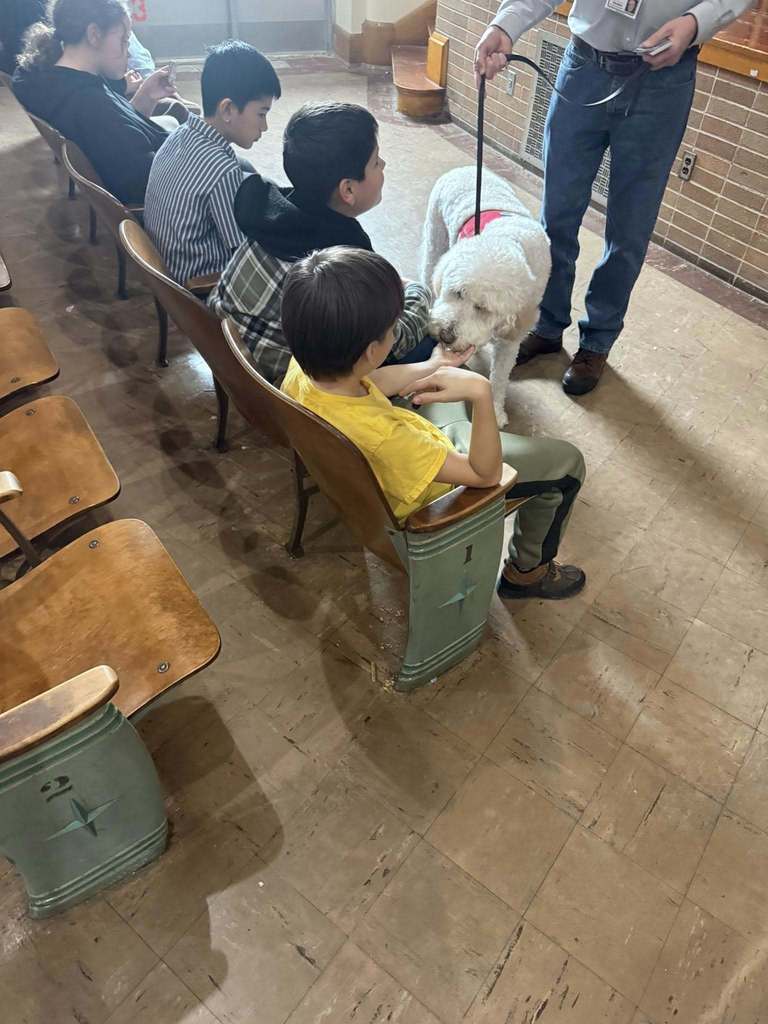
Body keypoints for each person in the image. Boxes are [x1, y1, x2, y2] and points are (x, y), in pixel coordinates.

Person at [474, 0, 753, 395]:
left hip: (662, 82)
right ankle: (548, 324)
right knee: (556, 215)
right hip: (584, 67)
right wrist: (506, 25)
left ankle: (597, 342)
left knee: (629, 229)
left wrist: (696, 22)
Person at [281, 247, 587, 600]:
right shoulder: (388, 440)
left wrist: (433, 364)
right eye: (392, 328)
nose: (395, 331)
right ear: (369, 350)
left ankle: (462, 403)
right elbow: (484, 475)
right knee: (567, 463)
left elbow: (369, 381)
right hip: (438, 496)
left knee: (455, 378)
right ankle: (528, 572)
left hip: (407, 455)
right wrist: (483, 395)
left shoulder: (303, 369)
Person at [209, 102, 435, 386]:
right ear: (348, 189)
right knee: (431, 343)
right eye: (376, 161)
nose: (384, 166)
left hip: (239, 360)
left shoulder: (267, 213)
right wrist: (419, 291)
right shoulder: (341, 267)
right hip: (291, 387)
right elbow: (391, 341)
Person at [13, 0, 177, 204]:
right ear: (94, 35)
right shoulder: (89, 105)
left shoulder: (48, 77)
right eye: (124, 40)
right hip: (162, 196)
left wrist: (146, 96)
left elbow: (121, 131)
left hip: (144, 171)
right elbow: (149, 181)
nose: (128, 51)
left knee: (175, 118)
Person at [144, 41, 280, 285]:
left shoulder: (181, 132)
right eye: (261, 113)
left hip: (169, 266)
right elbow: (242, 254)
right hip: (201, 287)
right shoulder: (223, 171)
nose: (265, 126)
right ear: (227, 109)